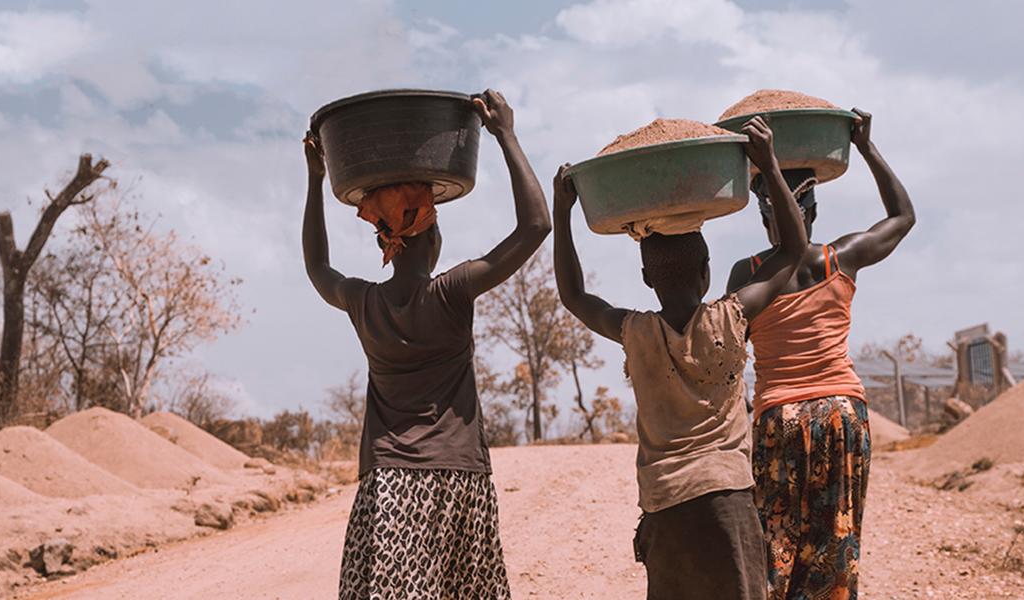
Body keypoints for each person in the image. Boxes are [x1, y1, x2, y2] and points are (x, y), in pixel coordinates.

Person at [303, 89, 550, 600]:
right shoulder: (451, 292)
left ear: (386, 245)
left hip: (388, 483)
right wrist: (506, 134)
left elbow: (317, 267)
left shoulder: (363, 302)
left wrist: (315, 179)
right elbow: (536, 226)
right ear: (431, 237)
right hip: (458, 476)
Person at [554, 117, 808, 600]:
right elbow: (793, 251)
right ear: (708, 271)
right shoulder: (732, 317)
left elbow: (574, 295)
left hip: (666, 505)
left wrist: (563, 210)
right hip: (728, 500)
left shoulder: (636, 332)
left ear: (647, 278)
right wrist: (769, 165)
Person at [725, 108, 915, 600]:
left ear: (767, 214)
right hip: (842, 415)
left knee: (774, 549)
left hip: (779, 418)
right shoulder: (842, 258)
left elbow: (727, 358)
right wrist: (867, 147)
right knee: (835, 547)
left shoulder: (746, 276)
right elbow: (903, 217)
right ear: (812, 212)